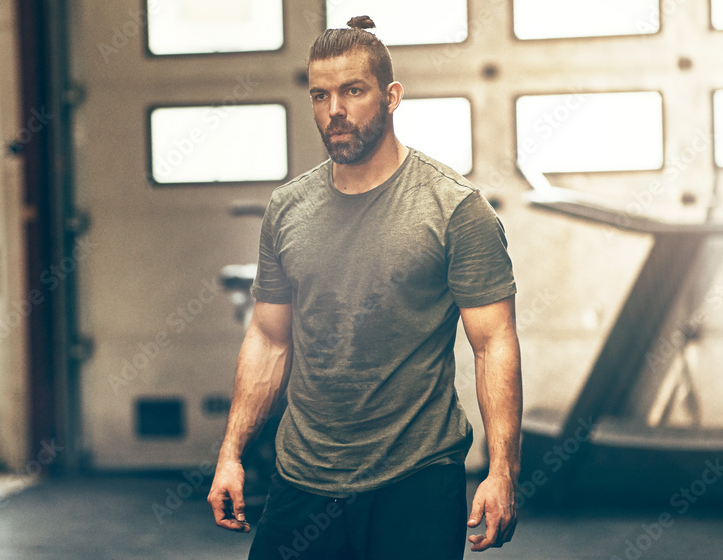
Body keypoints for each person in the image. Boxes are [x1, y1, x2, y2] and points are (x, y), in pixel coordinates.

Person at [207, 15, 522, 559]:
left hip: (415, 477)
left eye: (353, 91)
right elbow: (268, 338)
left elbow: (493, 342)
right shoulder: (288, 209)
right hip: (303, 476)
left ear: (391, 95)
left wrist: (502, 470)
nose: (336, 111)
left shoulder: (453, 209)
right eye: (321, 95)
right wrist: (231, 451)